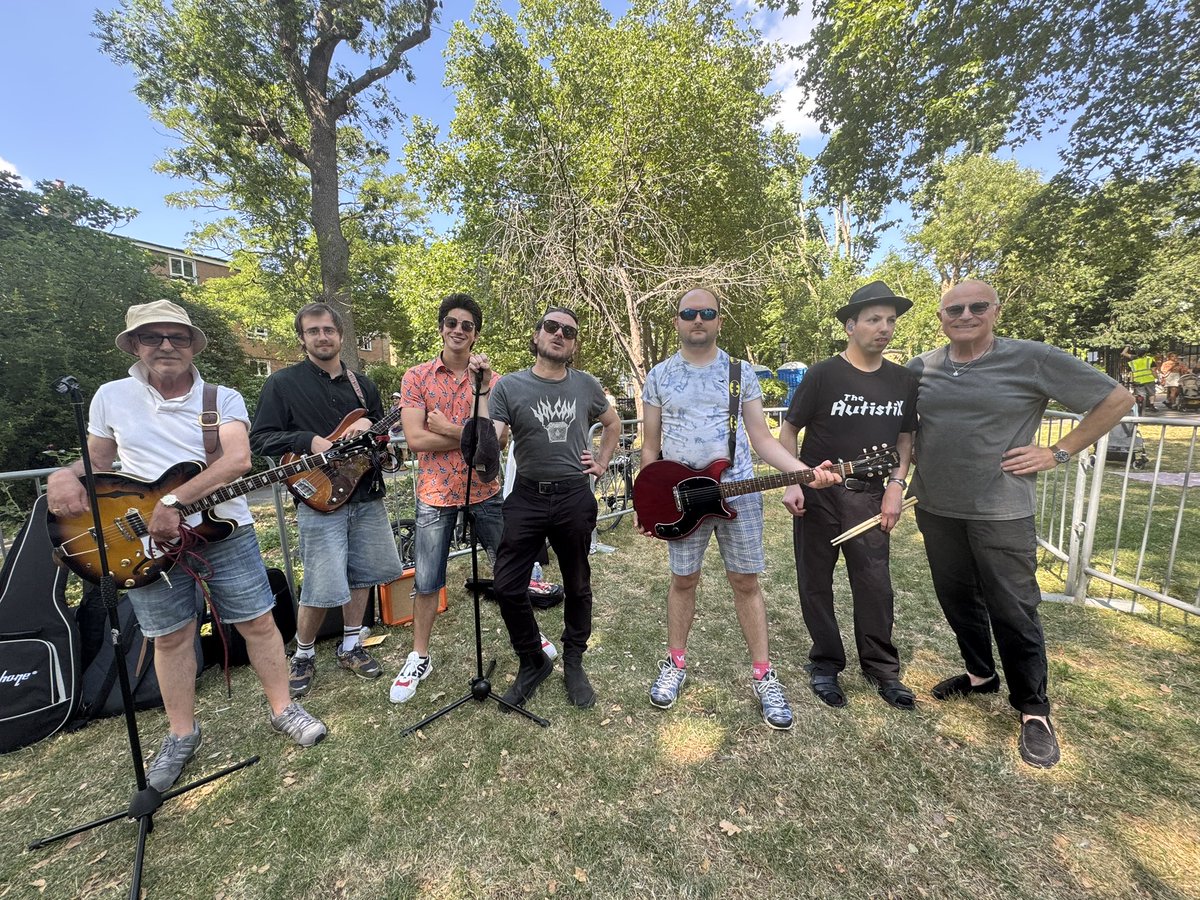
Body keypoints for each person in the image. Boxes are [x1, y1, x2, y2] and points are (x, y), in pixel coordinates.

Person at [45, 300, 326, 791]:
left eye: (177, 337)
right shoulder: (111, 396)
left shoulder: (222, 398)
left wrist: (174, 500)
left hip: (223, 531)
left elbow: (238, 459)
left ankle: (284, 708)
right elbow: (97, 459)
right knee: (170, 635)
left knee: (258, 622)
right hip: (144, 540)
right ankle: (181, 733)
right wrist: (62, 476)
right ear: (135, 344)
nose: (166, 346)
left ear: (193, 345)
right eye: (153, 337)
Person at [908, 280, 1133, 768]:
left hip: (1001, 509)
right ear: (941, 316)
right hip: (936, 507)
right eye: (954, 309)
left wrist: (1059, 451)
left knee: (1014, 608)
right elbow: (906, 428)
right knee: (957, 599)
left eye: (977, 306)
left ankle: (1034, 711)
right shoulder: (921, 367)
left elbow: (1117, 399)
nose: (965, 315)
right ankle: (979, 675)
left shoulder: (1031, 358)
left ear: (996, 311)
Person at [639, 288, 838, 731]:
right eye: (688, 313)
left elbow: (763, 440)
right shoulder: (658, 376)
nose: (697, 320)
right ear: (676, 321)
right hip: (680, 499)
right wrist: (647, 501)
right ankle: (675, 663)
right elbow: (650, 448)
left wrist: (802, 471)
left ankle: (764, 675)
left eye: (707, 313)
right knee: (683, 580)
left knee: (745, 582)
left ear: (719, 321)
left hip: (737, 493)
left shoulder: (739, 372)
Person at [387, 293, 556, 704]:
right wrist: (468, 434)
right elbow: (414, 439)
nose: (458, 330)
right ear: (442, 327)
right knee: (428, 579)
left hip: (485, 490)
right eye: (452, 323)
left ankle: (532, 638)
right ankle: (419, 656)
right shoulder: (417, 377)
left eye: (467, 325)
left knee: (512, 569)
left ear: (475, 334)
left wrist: (446, 426)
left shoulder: (490, 381)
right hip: (435, 493)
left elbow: (496, 441)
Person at [250, 302, 404, 697]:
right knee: (320, 581)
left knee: (364, 573)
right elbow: (261, 437)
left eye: (329, 330)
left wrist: (377, 434)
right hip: (317, 496)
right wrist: (308, 440)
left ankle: (352, 643)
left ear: (340, 335)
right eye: (313, 331)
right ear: (302, 338)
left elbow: (380, 446)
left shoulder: (363, 385)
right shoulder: (282, 384)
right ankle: (303, 654)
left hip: (365, 493)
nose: (322, 337)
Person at [779, 281, 918, 711]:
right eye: (874, 319)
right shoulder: (823, 374)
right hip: (818, 497)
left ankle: (881, 669)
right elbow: (788, 429)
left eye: (890, 320)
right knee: (815, 582)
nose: (885, 328)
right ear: (850, 326)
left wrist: (896, 486)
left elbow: (905, 437)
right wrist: (792, 480)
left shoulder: (903, 380)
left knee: (875, 585)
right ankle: (825, 663)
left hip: (870, 499)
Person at [488, 306, 621, 710]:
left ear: (574, 344)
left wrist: (601, 462)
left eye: (569, 331)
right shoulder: (508, 387)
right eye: (552, 327)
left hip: (573, 496)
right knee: (508, 585)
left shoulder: (586, 385)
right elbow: (494, 438)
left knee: (578, 583)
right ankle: (533, 659)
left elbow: (613, 422)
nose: (560, 334)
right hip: (526, 495)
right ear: (537, 335)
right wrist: (482, 437)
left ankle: (574, 661)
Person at [1122, 347, 1158, 412]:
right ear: (1145, 354)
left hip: (1138, 380)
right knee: (1151, 393)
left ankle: (1139, 403)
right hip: (1149, 379)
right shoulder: (1149, 360)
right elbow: (1153, 370)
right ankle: (1151, 405)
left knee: (1140, 393)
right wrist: (1156, 378)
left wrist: (1127, 346)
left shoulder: (1133, 360)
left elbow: (1123, 353)